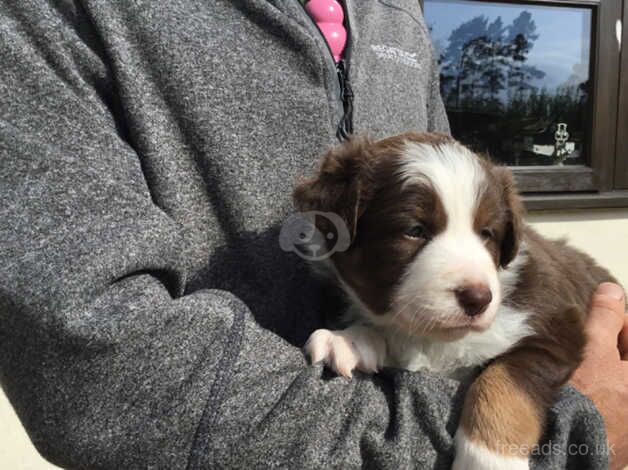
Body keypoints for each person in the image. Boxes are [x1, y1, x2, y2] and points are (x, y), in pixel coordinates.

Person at [0, 1, 625, 469]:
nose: (476, 273)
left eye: (490, 238)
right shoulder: (51, 19)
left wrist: (379, 336)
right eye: (415, 229)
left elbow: (548, 337)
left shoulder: (399, 12)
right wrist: (564, 433)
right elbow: (102, 376)